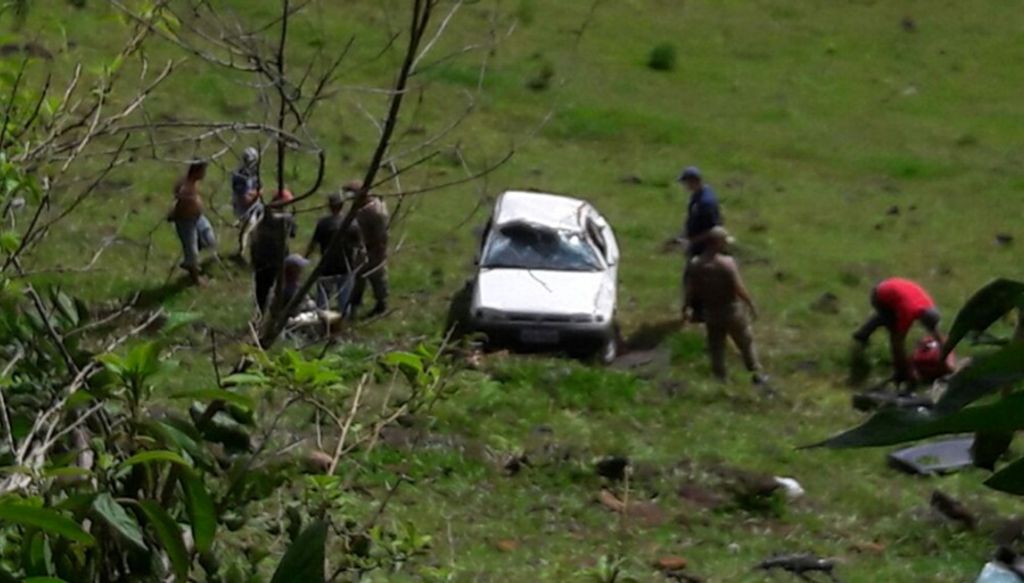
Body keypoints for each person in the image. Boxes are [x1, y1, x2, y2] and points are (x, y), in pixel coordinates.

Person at [684, 226, 765, 384]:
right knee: (745, 341)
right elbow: (738, 288)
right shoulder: (727, 263)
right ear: (717, 243)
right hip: (732, 310)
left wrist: (686, 307)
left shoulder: (696, 264)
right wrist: (750, 304)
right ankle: (755, 372)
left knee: (716, 347)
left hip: (711, 312)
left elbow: (691, 289)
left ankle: (720, 378)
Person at [852, 277, 943, 387]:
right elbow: (898, 343)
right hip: (879, 295)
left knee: (886, 318)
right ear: (922, 320)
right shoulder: (908, 312)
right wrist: (908, 369)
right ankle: (900, 372)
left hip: (890, 286)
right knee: (893, 327)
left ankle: (861, 334)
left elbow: (935, 331)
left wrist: (945, 353)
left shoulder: (928, 305)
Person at [667, 166, 722, 321]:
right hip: (696, 243)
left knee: (697, 278)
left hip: (705, 246)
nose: (685, 186)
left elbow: (713, 229)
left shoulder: (706, 202)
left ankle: (700, 311)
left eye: (686, 183)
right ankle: (696, 309)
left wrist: (690, 241)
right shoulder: (697, 197)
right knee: (693, 277)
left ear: (694, 181)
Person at [305, 191, 365, 316]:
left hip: (326, 267)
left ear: (329, 206)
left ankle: (321, 322)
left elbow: (313, 244)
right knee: (344, 301)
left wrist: (305, 258)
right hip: (345, 267)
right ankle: (342, 322)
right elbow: (360, 247)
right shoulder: (351, 223)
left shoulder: (323, 223)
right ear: (342, 205)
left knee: (322, 301)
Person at [344, 181, 390, 317]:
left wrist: (373, 247)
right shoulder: (371, 206)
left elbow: (380, 234)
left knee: (376, 275)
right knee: (358, 275)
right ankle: (355, 301)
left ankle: (381, 303)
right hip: (364, 246)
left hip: (373, 248)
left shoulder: (372, 212)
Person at [168, 161, 216, 285]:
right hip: (186, 222)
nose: (204, 174)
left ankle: (190, 261)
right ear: (197, 171)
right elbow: (177, 201)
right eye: (203, 171)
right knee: (192, 252)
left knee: (209, 239)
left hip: (198, 218)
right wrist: (174, 214)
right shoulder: (185, 187)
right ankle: (195, 278)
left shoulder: (194, 183)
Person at [249, 189, 296, 314]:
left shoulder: (262, 212)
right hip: (278, 258)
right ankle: (275, 313)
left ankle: (261, 312)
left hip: (261, 257)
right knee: (279, 286)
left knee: (262, 289)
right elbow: (293, 234)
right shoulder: (286, 218)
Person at [231, 147, 262, 257]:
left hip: (255, 206)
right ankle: (242, 253)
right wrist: (257, 193)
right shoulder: (240, 176)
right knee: (249, 229)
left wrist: (254, 193)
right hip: (244, 209)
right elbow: (245, 200)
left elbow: (258, 188)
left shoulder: (253, 173)